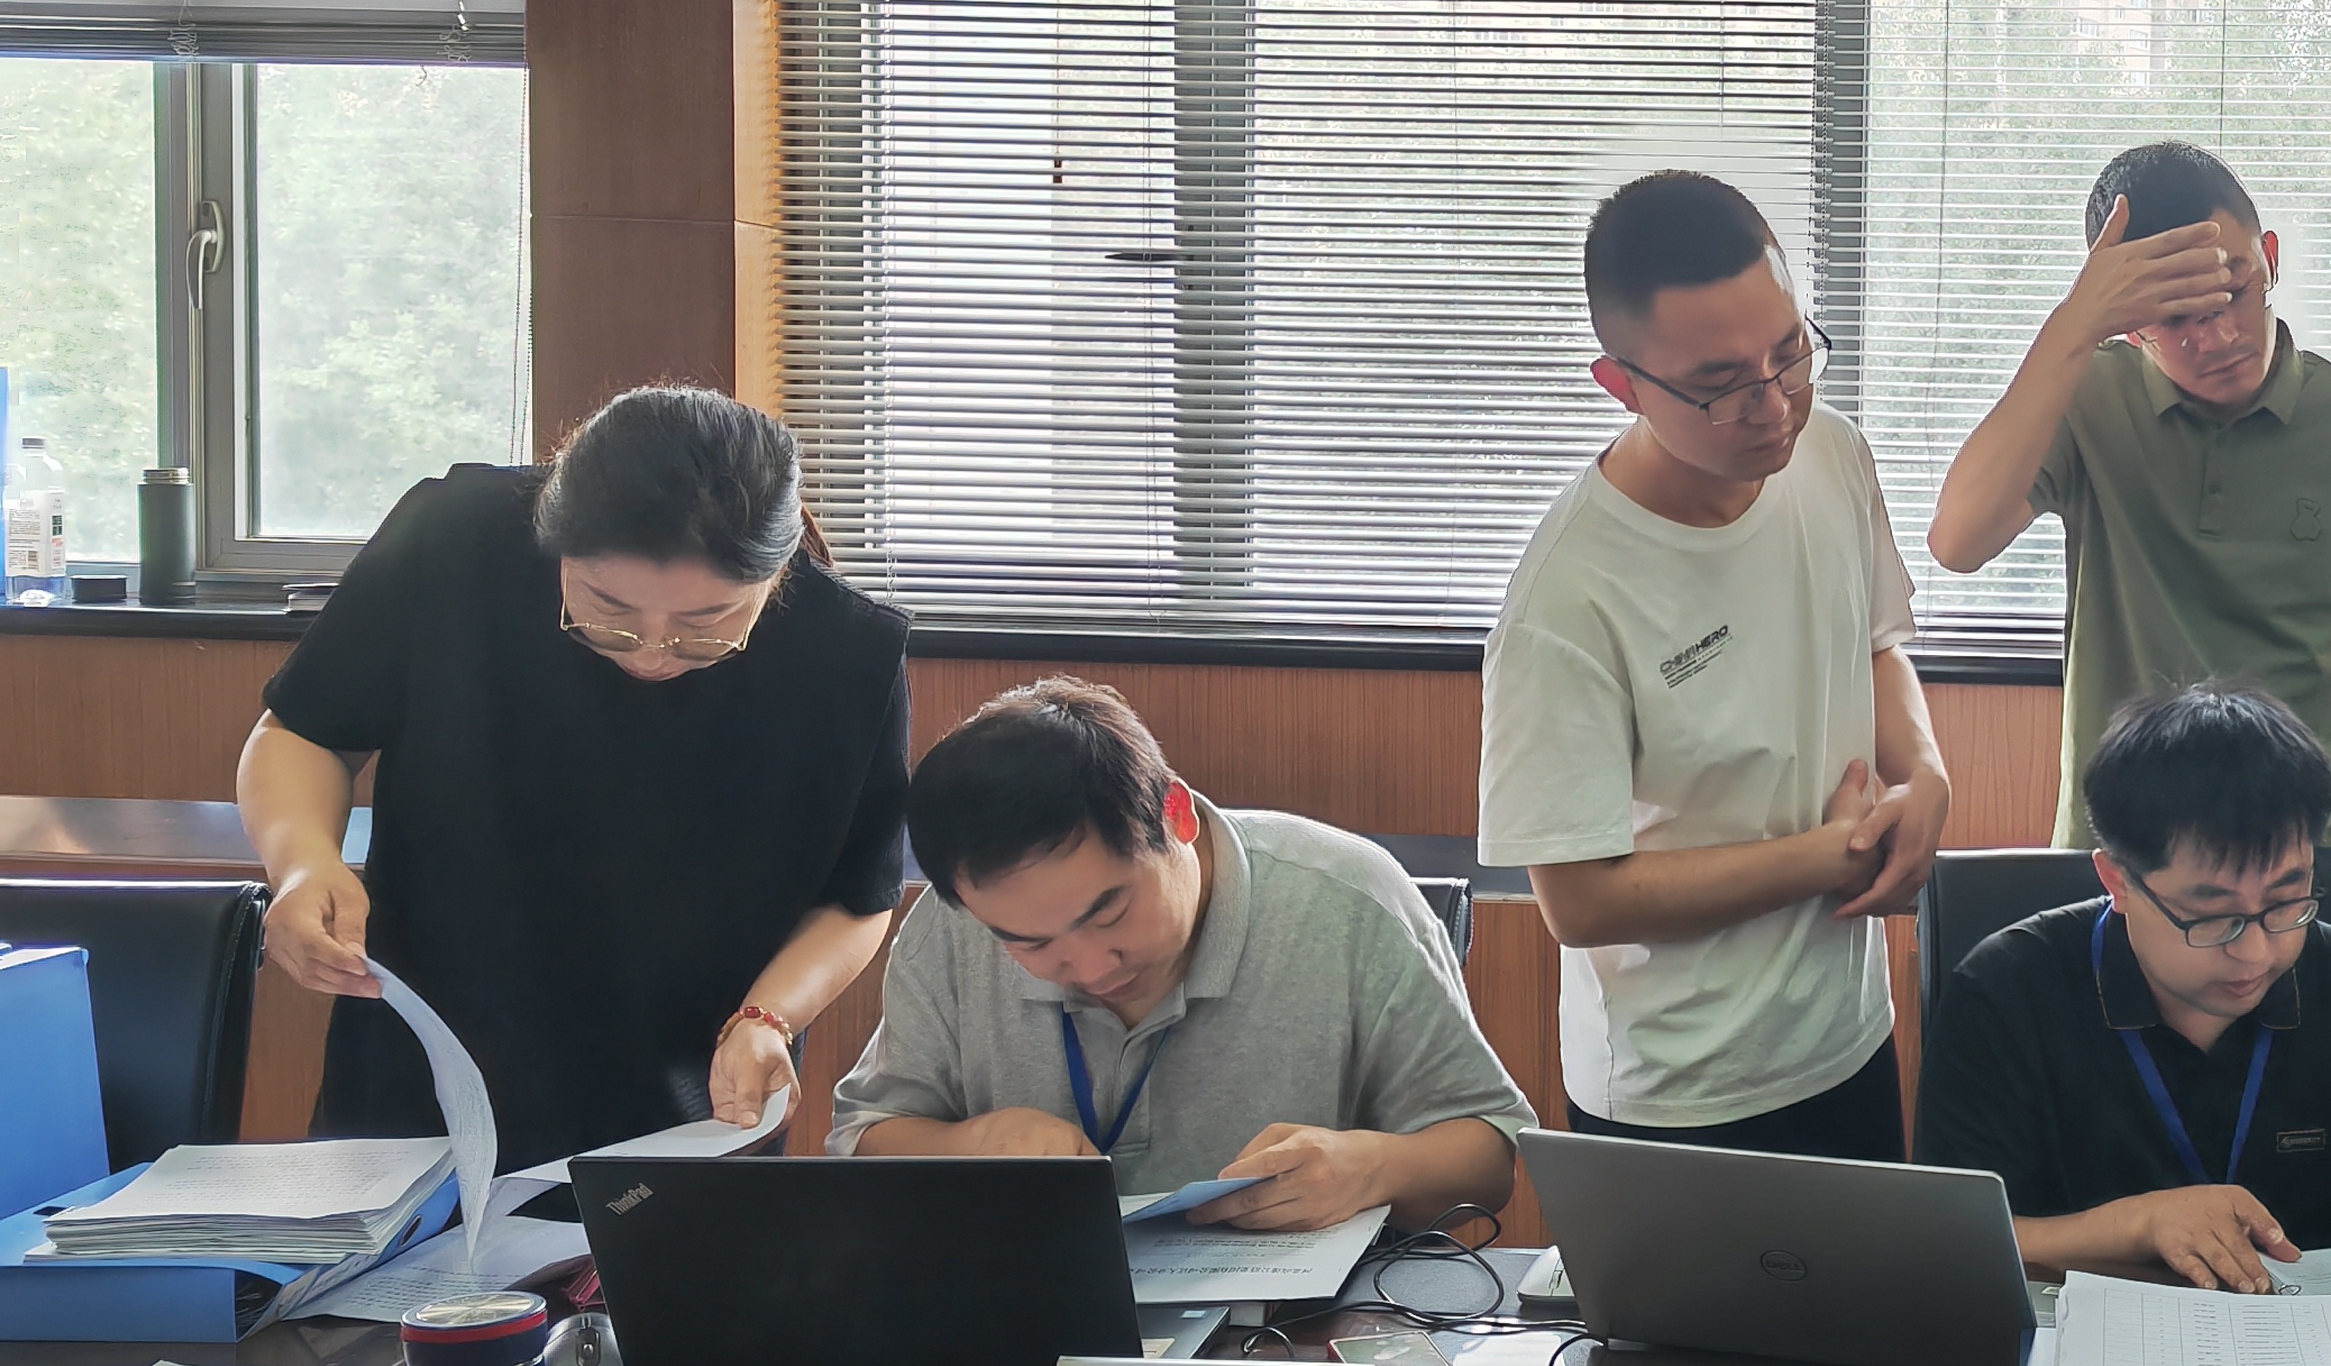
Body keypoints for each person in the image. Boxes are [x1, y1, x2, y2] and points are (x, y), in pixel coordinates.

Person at [238, 387, 911, 1170]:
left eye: (706, 626)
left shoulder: (846, 652)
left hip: (691, 1085)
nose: (650, 654)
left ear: (777, 570)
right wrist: (303, 865)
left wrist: (769, 1016)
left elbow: (858, 897)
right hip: (424, 1046)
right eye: (606, 609)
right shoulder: (453, 540)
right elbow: (302, 732)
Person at [1480, 171, 1947, 1159]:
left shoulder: (1832, 454)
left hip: (1846, 1032)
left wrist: (1925, 773)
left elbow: (1874, 640)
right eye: (1723, 384)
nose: (1774, 404)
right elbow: (1579, 901)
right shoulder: (1568, 600)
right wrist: (1823, 860)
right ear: (1622, 385)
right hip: (1679, 1088)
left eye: (1790, 353)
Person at [829, 678, 1529, 1228]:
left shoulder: (1349, 900)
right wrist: (974, 1144)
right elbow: (864, 1137)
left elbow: (1491, 1155)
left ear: (1177, 815)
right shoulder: (953, 927)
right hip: (1031, 1309)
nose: (1093, 969)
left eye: (1109, 912)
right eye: (1030, 944)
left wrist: (1375, 1168)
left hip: (1296, 1321)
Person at [1926, 141, 2331, 851]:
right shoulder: (2084, 400)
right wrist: (2073, 324)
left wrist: (2298, 776)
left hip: (2301, 849)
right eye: (2175, 317)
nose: (2219, 336)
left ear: (2270, 258)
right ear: (2127, 320)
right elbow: (1958, 543)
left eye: (2234, 292)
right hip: (2119, 846)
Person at [1918, 683, 2331, 1292]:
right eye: (2213, 917)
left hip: (2324, 1326)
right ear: (2118, 881)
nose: (2256, 952)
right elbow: (1955, 1235)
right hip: (2093, 1329)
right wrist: (2139, 1224)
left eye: (2287, 900)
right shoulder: (2006, 992)